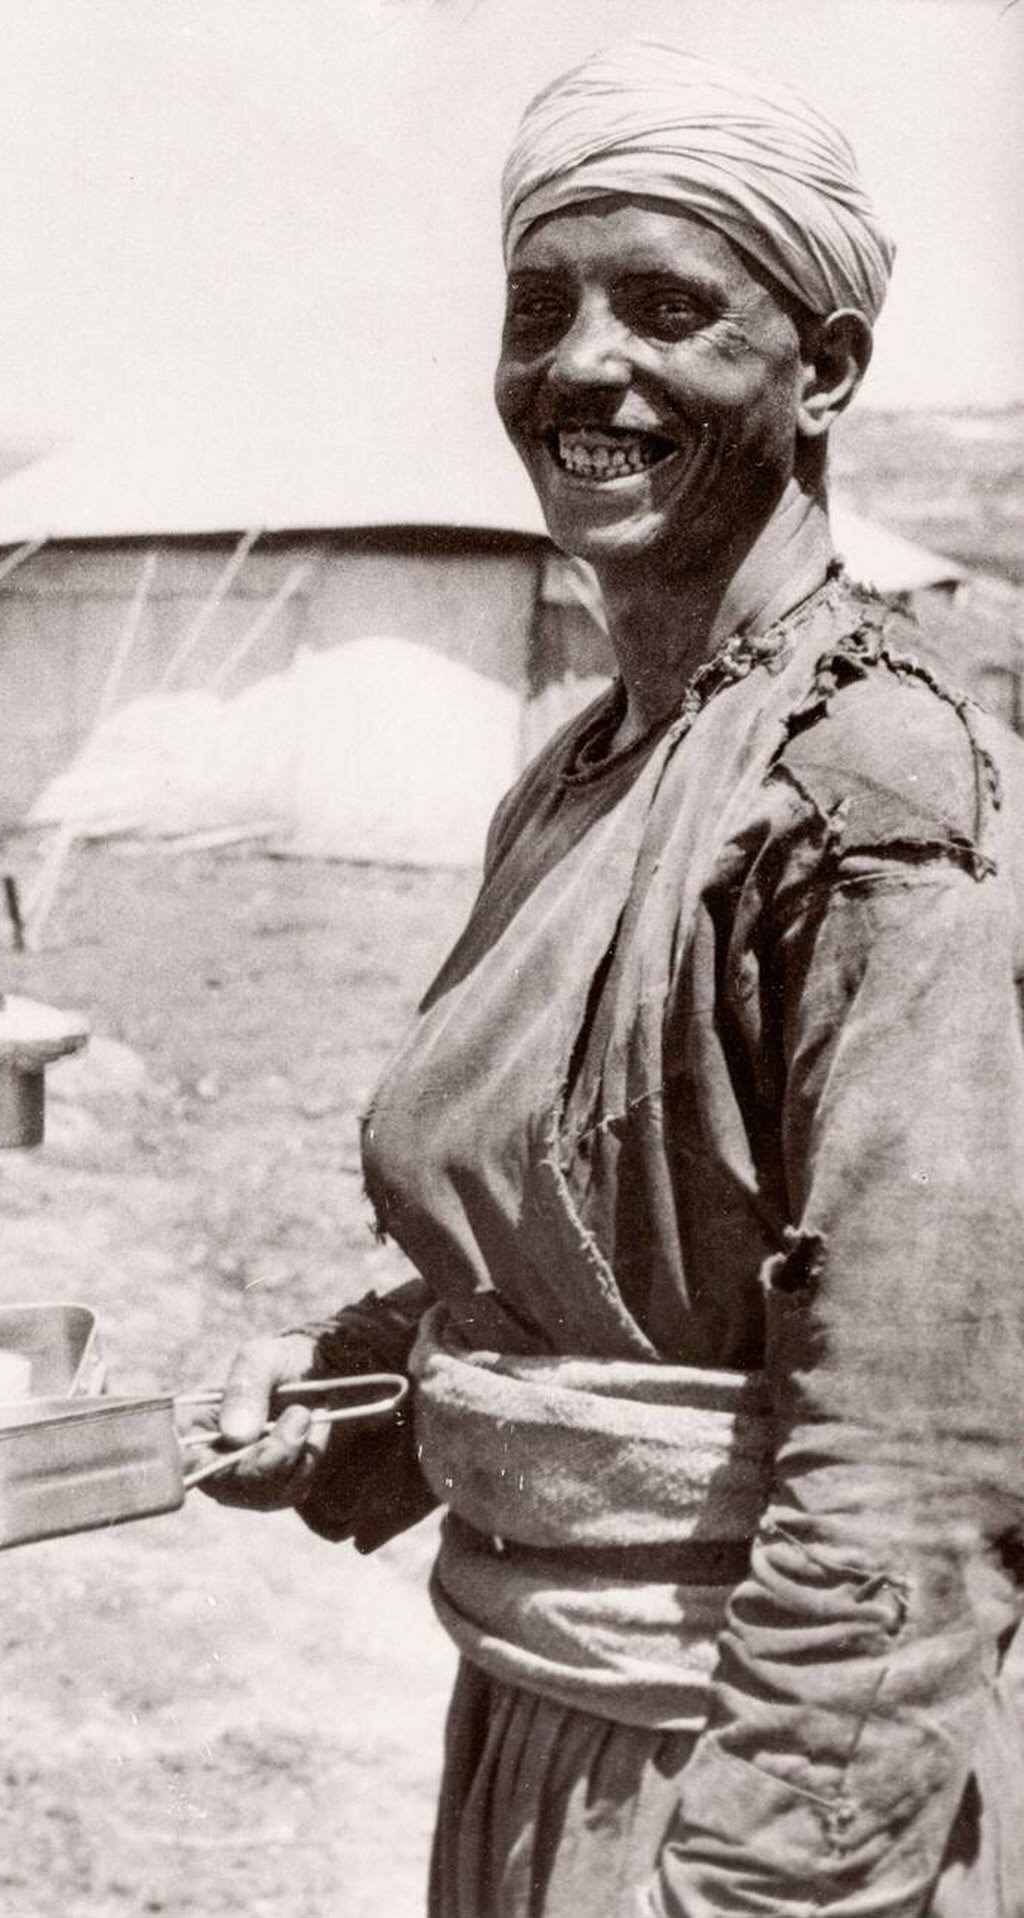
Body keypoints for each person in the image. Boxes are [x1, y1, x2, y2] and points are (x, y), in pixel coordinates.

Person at [198, 40, 1024, 1918]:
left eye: (668, 308)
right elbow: (619, 1256)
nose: (581, 363)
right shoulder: (590, 770)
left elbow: (923, 1446)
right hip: (537, 1737)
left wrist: (757, 1882)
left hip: (754, 1778)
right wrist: (367, 1389)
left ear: (823, 371)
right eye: (540, 307)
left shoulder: (874, 803)